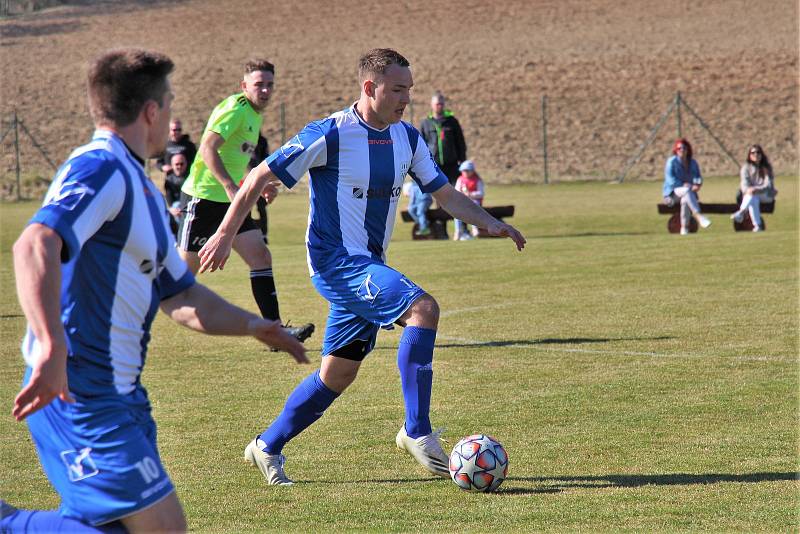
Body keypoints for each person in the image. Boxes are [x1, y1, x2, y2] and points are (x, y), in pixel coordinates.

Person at [1, 48, 308, 534]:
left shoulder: (140, 188)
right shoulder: (101, 167)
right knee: (163, 528)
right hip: (79, 389)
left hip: (125, 396)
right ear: (150, 112)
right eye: (168, 102)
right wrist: (51, 345)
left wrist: (253, 326)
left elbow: (182, 296)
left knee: (118, 528)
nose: (171, 115)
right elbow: (34, 243)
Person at [196, 48, 526, 485]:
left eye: (409, 89)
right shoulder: (330, 133)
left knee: (338, 373)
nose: (405, 98)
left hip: (368, 265)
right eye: (397, 89)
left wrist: (488, 222)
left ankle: (266, 445)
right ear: (370, 88)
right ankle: (417, 430)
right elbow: (258, 176)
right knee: (423, 308)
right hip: (335, 263)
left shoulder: (407, 139)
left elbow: (443, 194)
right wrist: (222, 233)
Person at [178, 59, 314, 344]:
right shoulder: (235, 109)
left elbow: (235, 159)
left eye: (269, 85)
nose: (265, 90)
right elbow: (207, 148)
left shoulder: (254, 114)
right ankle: (125, 314)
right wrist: (230, 187)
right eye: (259, 84)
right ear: (244, 86)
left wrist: (256, 184)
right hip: (203, 199)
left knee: (260, 257)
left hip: (231, 202)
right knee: (180, 278)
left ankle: (275, 331)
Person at [662, 138, 712, 235]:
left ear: (688, 149)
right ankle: (699, 216)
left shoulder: (693, 163)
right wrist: (684, 185)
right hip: (672, 195)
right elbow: (671, 181)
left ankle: (684, 229)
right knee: (686, 191)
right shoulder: (671, 162)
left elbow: (698, 177)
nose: (682, 150)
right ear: (675, 150)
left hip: (688, 194)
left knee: (685, 199)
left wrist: (697, 185)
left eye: (684, 148)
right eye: (679, 148)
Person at [419, 91, 467, 185]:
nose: (440, 106)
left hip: (452, 165)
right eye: (437, 104)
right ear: (432, 105)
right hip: (433, 166)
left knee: (453, 194)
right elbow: (422, 145)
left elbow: (460, 142)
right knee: (436, 194)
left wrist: (462, 161)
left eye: (441, 104)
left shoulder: (452, 121)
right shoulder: (425, 123)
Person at [731, 144, 776, 232]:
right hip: (751, 195)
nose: (756, 154)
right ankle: (757, 226)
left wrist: (757, 189)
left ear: (762, 154)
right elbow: (744, 185)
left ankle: (741, 212)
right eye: (753, 152)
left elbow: (768, 185)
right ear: (749, 155)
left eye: (758, 152)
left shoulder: (766, 168)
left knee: (752, 196)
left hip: (766, 195)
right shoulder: (745, 168)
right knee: (753, 198)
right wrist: (749, 190)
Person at [453, 160, 485, 240]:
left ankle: (474, 228)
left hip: (475, 201)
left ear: (472, 171)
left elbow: (481, 193)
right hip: (462, 202)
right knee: (456, 212)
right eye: (464, 171)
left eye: (467, 171)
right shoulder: (460, 179)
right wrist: (463, 193)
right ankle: (458, 231)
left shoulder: (477, 180)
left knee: (473, 207)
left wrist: (470, 194)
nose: (465, 173)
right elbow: (456, 191)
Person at [165, 152, 189, 234]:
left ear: (186, 164)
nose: (179, 166)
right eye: (177, 164)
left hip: (188, 206)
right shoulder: (169, 180)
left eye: (182, 164)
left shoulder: (190, 178)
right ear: (172, 166)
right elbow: (169, 200)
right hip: (176, 207)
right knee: (175, 206)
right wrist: (172, 209)